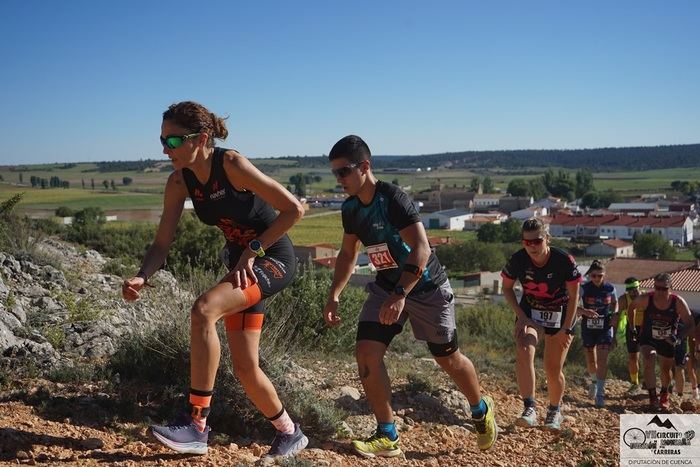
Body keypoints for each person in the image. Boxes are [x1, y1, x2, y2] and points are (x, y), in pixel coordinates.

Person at [121, 101, 307, 457]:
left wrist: (252, 249)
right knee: (245, 367)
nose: (164, 149)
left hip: (273, 259)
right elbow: (162, 243)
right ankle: (290, 432)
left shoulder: (232, 165)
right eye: (162, 140)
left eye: (173, 141)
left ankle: (196, 426)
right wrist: (142, 275)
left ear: (202, 138)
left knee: (204, 309)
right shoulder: (179, 182)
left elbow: (293, 210)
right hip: (243, 268)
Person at [322, 135, 497, 458]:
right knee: (366, 352)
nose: (339, 180)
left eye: (343, 172)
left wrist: (402, 293)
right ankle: (387, 435)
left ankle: (480, 409)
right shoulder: (350, 209)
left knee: (448, 359)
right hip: (387, 285)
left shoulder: (393, 200)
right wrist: (334, 293)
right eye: (335, 174)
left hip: (425, 287)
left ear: (364, 167)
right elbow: (348, 254)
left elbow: (421, 248)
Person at [501, 217, 582, 431]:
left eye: (536, 241)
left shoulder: (563, 260)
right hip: (531, 312)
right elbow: (507, 289)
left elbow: (575, 297)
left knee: (552, 369)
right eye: (527, 242)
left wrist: (567, 328)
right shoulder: (518, 260)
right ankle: (529, 407)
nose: (532, 247)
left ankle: (555, 410)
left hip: (560, 315)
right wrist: (522, 316)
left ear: (546, 238)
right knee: (524, 348)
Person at [630, 273, 696, 410]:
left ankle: (664, 392)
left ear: (670, 288)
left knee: (665, 370)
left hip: (667, 340)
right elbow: (631, 308)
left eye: (663, 289)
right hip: (648, 338)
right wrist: (632, 328)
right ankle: (653, 397)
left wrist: (678, 337)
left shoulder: (677, 302)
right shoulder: (646, 298)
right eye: (657, 288)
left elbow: (690, 323)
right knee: (649, 360)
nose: (660, 292)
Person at [578, 260, 618, 408]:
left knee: (602, 361)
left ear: (604, 275)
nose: (596, 279)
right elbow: (573, 306)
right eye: (594, 275)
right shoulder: (584, 289)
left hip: (605, 327)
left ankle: (600, 394)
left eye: (600, 276)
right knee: (591, 361)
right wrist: (583, 311)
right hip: (588, 327)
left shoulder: (610, 288)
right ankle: (594, 382)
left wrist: (615, 313)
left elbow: (615, 303)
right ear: (590, 275)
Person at [618, 277, 643, 394]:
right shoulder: (624, 299)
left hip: (646, 329)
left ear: (639, 287)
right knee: (633, 357)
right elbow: (617, 314)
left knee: (651, 357)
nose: (633, 292)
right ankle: (634, 383)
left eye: (635, 289)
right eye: (630, 290)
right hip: (632, 328)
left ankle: (652, 383)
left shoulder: (646, 297)